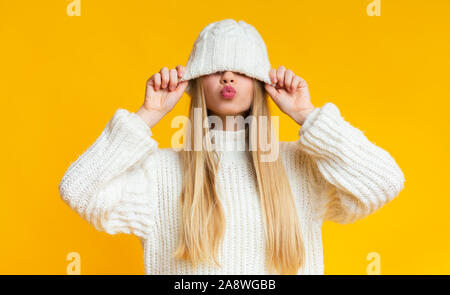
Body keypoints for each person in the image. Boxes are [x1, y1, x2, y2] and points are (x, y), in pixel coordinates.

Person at [58, 19, 405, 275]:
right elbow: (79, 189)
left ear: (259, 83)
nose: (227, 77)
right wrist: (147, 115)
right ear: (194, 84)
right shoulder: (160, 172)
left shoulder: (299, 167)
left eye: (240, 70)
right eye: (215, 70)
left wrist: (307, 115)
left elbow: (385, 180)